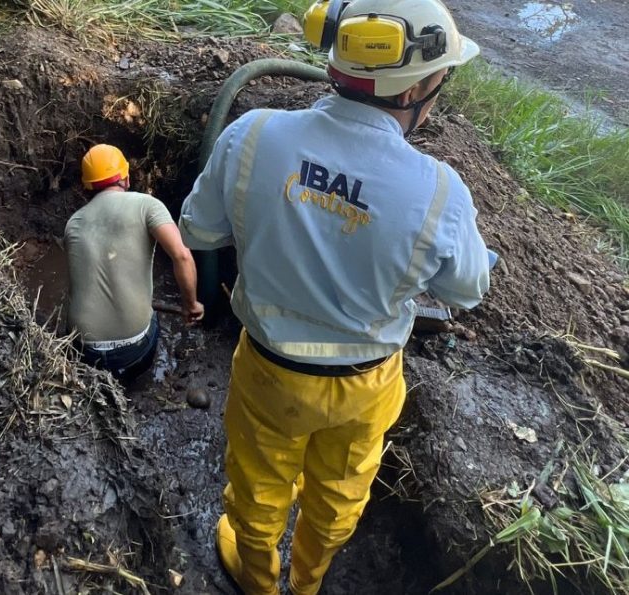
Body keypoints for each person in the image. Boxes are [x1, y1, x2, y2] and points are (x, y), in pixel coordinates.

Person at [178, 0, 491, 592]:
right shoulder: (439, 193)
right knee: (341, 489)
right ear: (416, 86)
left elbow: (198, 229)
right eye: (441, 79)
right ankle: (309, 581)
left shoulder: (254, 135)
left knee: (257, 484)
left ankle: (258, 580)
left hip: (270, 372)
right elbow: (466, 289)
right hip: (364, 385)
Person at [65, 144, 204, 381]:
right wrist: (191, 305)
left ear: (87, 186)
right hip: (133, 351)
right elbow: (181, 255)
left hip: (81, 350)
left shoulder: (73, 223)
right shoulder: (146, 205)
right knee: (149, 325)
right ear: (126, 178)